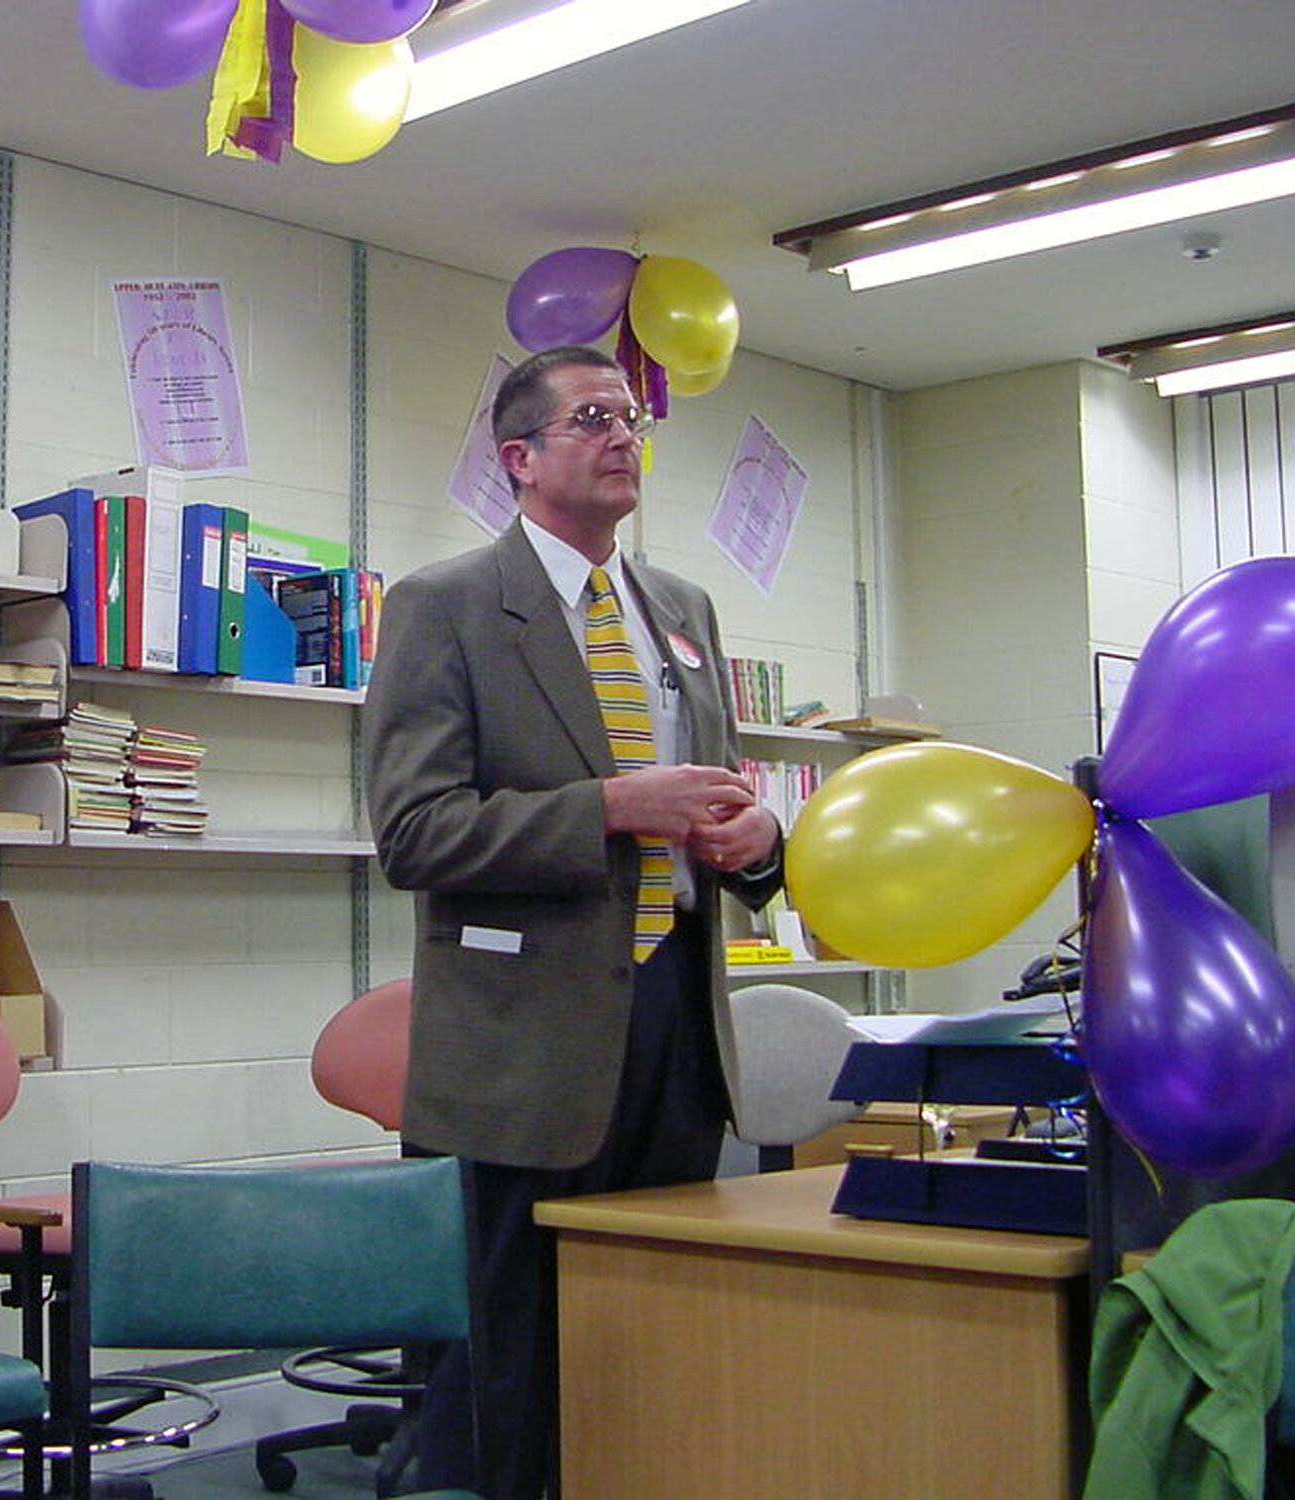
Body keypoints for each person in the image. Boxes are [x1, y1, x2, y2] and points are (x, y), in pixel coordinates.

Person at [362, 345, 785, 1499]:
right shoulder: (444, 607)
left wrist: (756, 844)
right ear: (519, 458)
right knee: (507, 1356)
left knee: (649, 1330)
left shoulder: (684, 610)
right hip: (521, 1042)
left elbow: (716, 790)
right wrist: (605, 808)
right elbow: (414, 834)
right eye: (592, 417)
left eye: (633, 418)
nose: (621, 437)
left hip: (673, 1021)